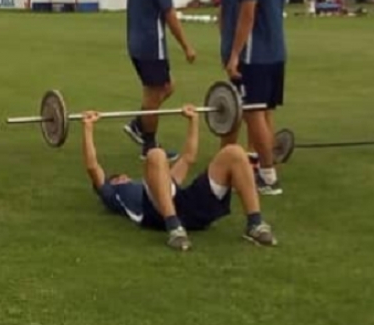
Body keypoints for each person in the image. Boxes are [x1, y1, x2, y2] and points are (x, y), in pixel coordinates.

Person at [83, 105, 277, 251]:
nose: (124, 176)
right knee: (156, 154)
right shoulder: (112, 194)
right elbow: (93, 166)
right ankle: (174, 229)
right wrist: (88, 128)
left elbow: (188, 158)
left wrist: (193, 120)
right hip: (157, 215)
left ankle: (255, 224)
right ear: (115, 181)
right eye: (119, 177)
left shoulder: (160, 182)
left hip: (188, 209)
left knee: (234, 152)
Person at [220, 0, 288, 195]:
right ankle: (260, 165)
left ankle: (268, 177)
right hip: (276, 53)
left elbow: (248, 15)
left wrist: (234, 54)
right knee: (265, 111)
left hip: (254, 54)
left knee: (252, 112)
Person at [122, 0, 196, 160]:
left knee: (166, 87)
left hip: (135, 44)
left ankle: (139, 124)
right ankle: (150, 147)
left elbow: (148, 3)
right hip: (152, 46)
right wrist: (187, 47)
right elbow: (170, 16)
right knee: (154, 95)